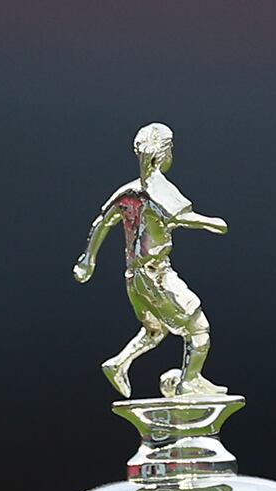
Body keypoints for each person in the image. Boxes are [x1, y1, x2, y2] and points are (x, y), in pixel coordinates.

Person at [74, 123, 230, 397]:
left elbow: (102, 222)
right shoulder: (158, 188)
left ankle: (118, 364)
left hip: (134, 279)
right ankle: (189, 381)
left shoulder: (128, 191)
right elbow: (180, 217)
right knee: (198, 328)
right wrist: (212, 223)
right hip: (156, 275)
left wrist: (88, 259)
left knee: (155, 330)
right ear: (163, 153)